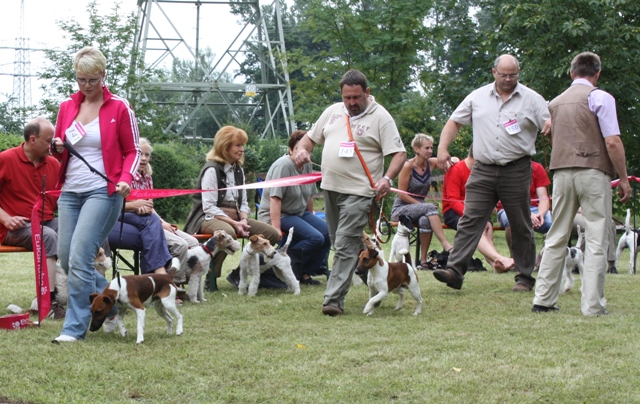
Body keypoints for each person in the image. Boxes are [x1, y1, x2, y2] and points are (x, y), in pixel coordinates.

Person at [294, 69, 407, 316]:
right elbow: (309, 140)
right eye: (347, 98)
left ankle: (333, 300)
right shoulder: (332, 112)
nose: (352, 103)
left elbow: (399, 153)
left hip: (360, 192)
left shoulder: (381, 117)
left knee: (344, 244)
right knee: (340, 242)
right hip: (331, 190)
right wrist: (302, 151)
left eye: (356, 97)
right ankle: (372, 264)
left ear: (367, 92)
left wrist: (387, 178)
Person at [434, 54, 551, 292]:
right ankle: (455, 271)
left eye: (513, 75)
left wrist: (551, 125)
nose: (508, 79)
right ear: (493, 72)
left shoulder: (532, 99)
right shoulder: (477, 97)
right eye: (503, 74)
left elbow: (550, 121)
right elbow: (454, 122)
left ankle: (525, 278)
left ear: (519, 73)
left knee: (520, 224)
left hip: (517, 168)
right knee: (470, 220)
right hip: (483, 168)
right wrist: (442, 148)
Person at [51, 46, 140, 342]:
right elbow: (62, 145)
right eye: (80, 80)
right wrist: (57, 146)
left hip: (103, 191)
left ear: (103, 75)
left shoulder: (119, 107)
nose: (86, 86)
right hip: (70, 192)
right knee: (66, 258)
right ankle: (112, 301)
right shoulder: (66, 107)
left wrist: (126, 178)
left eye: (92, 79)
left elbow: (133, 151)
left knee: (80, 256)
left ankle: (74, 329)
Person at [533, 52, 631, 316]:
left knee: (556, 236)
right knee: (598, 236)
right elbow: (612, 141)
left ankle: (542, 299)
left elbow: (555, 138)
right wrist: (622, 178)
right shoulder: (600, 97)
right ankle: (592, 306)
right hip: (594, 172)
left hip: (562, 173)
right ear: (597, 74)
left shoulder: (555, 103)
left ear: (571, 72)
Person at [183, 125, 280, 290]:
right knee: (226, 232)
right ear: (225, 146)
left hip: (235, 218)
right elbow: (209, 207)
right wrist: (235, 225)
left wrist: (243, 220)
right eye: (238, 145)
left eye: (243, 145)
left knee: (272, 233)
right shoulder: (212, 170)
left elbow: (243, 202)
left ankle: (240, 272)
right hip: (209, 218)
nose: (242, 149)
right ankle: (210, 277)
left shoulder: (239, 170)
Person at [0, 117, 65, 319]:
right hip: (14, 227)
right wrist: (5, 218)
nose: (52, 145)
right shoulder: (5, 159)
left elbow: (63, 198)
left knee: (84, 229)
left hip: (47, 221)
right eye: (48, 140)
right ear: (32, 139)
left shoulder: (54, 163)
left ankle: (96, 295)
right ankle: (49, 302)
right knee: (48, 236)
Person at [107, 138, 197, 277]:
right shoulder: (121, 175)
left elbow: (149, 205)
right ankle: (166, 282)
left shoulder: (147, 177)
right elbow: (111, 205)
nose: (143, 159)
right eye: (139, 154)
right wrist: (134, 206)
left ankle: (181, 282)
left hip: (148, 218)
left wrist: (163, 223)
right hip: (129, 219)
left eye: (147, 155)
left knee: (193, 242)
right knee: (181, 245)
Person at [258, 130, 331, 285]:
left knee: (327, 232)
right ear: (291, 149)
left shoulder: (307, 165)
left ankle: (304, 272)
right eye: (299, 149)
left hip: (298, 214)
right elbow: (275, 198)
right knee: (315, 237)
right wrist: (276, 227)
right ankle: (275, 268)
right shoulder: (283, 165)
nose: (303, 154)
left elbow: (309, 194)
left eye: (308, 151)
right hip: (278, 215)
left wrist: (311, 216)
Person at [441, 147, 514, 271]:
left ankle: (495, 265)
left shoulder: (480, 173)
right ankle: (498, 258)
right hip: (453, 212)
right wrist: (475, 217)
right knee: (475, 227)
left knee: (488, 227)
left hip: (475, 212)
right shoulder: (456, 169)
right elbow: (453, 201)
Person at [390, 133, 453, 269]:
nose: (430, 151)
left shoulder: (430, 163)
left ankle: (423, 261)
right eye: (427, 148)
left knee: (425, 219)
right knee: (429, 208)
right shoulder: (408, 166)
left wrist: (454, 160)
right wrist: (422, 206)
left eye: (431, 148)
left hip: (421, 208)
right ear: (417, 149)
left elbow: (450, 160)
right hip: (401, 208)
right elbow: (402, 194)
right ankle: (446, 245)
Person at [496, 161, 552, 255]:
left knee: (553, 225)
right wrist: (527, 214)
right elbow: (509, 200)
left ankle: (543, 258)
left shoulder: (537, 168)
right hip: (508, 208)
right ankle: (515, 259)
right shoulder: (505, 169)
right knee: (513, 222)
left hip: (535, 209)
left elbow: (543, 198)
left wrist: (541, 214)